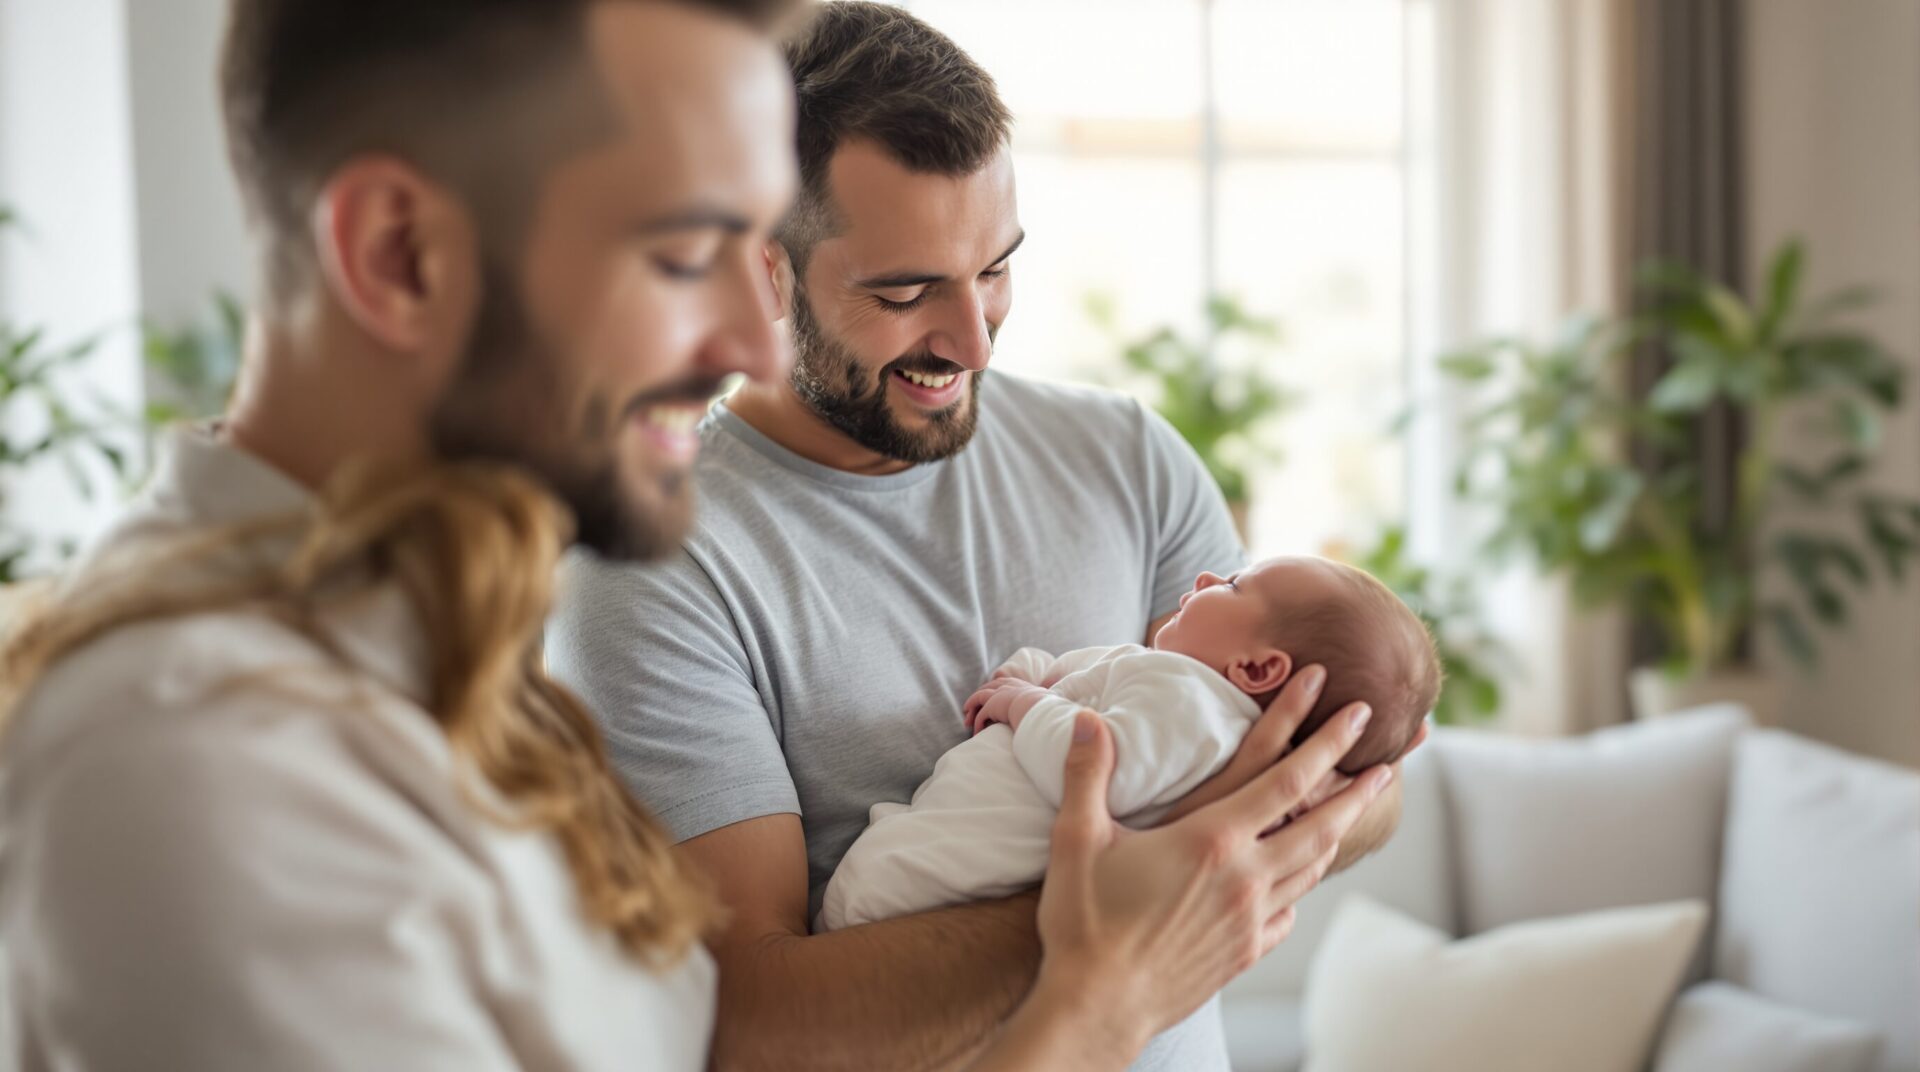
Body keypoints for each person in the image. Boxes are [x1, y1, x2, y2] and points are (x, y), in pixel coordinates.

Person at [0, 2, 1392, 1070]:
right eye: (681, 253)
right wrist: (1088, 1004)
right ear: (401, 255)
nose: (742, 341)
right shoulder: (202, 771)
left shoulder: (441, 672)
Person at [546, 4, 1418, 1068]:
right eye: (907, 291)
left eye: (995, 268)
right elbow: (750, 1018)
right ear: (763, 268)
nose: (971, 340)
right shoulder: (652, 566)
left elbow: (1353, 757)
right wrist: (1121, 920)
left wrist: (1210, 855)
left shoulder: (1127, 458)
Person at [821, 556, 1439, 930]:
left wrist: (1026, 701)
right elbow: (1078, 675)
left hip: (920, 891)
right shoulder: (1173, 684)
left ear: (1256, 671)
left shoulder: (1196, 706)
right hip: (923, 887)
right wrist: (1028, 675)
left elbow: (1101, 773)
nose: (1203, 575)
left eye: (1230, 584)